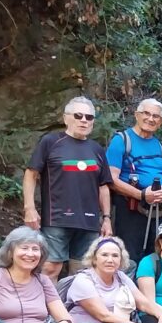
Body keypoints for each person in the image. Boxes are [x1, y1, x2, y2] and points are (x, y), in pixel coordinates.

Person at [23, 96, 113, 278]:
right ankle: (47, 307)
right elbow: (31, 174)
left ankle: (74, 307)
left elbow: (103, 186)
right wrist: (29, 208)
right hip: (56, 217)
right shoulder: (51, 141)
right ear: (66, 118)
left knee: (83, 272)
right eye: (78, 115)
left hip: (89, 221)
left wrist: (106, 218)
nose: (84, 120)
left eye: (89, 117)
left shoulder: (96, 149)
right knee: (50, 268)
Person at [106, 98, 162, 264]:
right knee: (129, 258)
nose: (151, 119)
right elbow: (111, 179)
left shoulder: (161, 147)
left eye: (156, 116)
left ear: (161, 122)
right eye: (146, 113)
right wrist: (141, 195)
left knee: (158, 257)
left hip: (160, 210)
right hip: (130, 210)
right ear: (136, 115)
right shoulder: (122, 140)